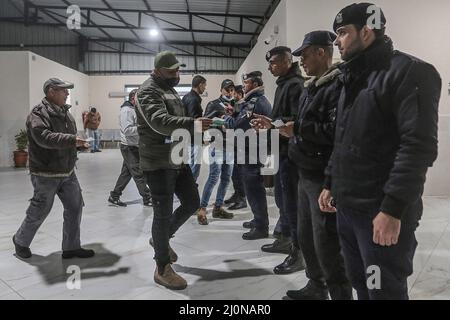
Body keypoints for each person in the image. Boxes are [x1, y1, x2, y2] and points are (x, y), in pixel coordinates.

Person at [318, 3, 441, 300]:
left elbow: (418, 148)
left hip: (378, 212)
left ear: (367, 31)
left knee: (383, 291)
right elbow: (343, 137)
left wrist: (392, 209)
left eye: (342, 33)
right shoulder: (353, 77)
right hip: (347, 209)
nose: (336, 41)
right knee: (361, 284)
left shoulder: (411, 72)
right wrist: (330, 182)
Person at [255, 31, 352, 299]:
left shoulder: (337, 86)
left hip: (322, 176)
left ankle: (339, 293)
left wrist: (295, 127)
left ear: (321, 52)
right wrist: (287, 128)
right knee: (307, 236)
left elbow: (335, 131)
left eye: (305, 55)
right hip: (304, 171)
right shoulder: (314, 85)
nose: (302, 60)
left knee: (328, 245)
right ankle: (316, 287)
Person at [135, 51, 212, 290]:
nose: (177, 75)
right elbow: (158, 121)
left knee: (192, 202)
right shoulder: (148, 91)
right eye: (172, 72)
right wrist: (192, 124)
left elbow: (176, 121)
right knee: (163, 213)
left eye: (178, 71)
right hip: (158, 162)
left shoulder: (168, 89)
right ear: (157, 70)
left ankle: (161, 239)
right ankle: (162, 268)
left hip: (177, 159)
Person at [13, 78, 95, 260]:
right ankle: (20, 241)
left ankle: (71, 247)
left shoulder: (66, 113)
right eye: (63, 90)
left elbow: (67, 138)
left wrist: (77, 145)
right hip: (45, 173)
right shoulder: (38, 114)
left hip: (67, 171)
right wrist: (72, 140)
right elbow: (44, 137)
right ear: (51, 91)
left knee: (75, 207)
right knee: (40, 210)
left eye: (67, 91)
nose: (67, 94)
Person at [260, 46, 305, 275]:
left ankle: (299, 253)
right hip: (280, 151)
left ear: (288, 61)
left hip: (289, 154)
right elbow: (280, 119)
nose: (270, 67)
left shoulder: (295, 85)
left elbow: (296, 122)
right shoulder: (283, 84)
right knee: (282, 200)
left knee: (291, 204)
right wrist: (270, 122)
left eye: (274, 63)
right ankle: (286, 239)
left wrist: (272, 124)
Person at [225, 71, 272, 240]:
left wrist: (227, 119)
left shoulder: (255, 102)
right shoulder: (255, 100)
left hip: (252, 151)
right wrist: (235, 114)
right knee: (252, 189)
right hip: (251, 150)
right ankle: (258, 219)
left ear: (253, 84)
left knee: (254, 189)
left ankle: (261, 226)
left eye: (245, 84)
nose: (243, 86)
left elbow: (239, 125)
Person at [195, 79, 236, 225]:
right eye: (227, 89)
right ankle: (202, 209)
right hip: (217, 146)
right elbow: (205, 122)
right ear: (221, 90)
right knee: (213, 178)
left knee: (226, 179)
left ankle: (218, 208)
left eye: (232, 89)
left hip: (231, 147)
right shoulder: (213, 104)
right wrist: (219, 123)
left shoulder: (236, 105)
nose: (230, 92)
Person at [108, 89, 152, 207]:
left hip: (133, 146)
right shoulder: (126, 111)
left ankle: (114, 196)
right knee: (138, 173)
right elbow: (127, 130)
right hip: (129, 147)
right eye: (140, 98)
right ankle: (147, 198)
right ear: (133, 98)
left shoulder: (133, 109)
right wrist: (142, 128)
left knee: (126, 173)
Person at [224, 84, 248, 210]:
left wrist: (227, 117)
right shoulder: (237, 105)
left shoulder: (245, 105)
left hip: (242, 143)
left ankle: (242, 198)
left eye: (233, 91)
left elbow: (236, 123)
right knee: (235, 173)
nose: (230, 94)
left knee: (239, 173)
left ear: (239, 93)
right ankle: (237, 194)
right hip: (235, 142)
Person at [182, 75, 207, 181]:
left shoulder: (186, 97)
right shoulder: (194, 99)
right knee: (194, 171)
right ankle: (190, 194)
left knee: (190, 168)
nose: (205, 88)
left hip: (188, 139)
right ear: (200, 84)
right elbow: (193, 121)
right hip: (194, 140)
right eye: (204, 85)